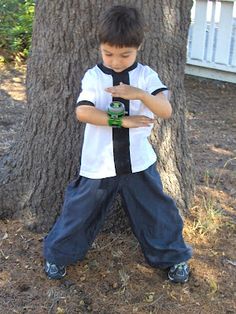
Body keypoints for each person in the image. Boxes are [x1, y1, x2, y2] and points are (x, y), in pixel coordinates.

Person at [43, 5, 192, 283]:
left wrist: (139, 94)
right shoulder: (94, 77)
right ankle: (58, 255)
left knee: (156, 212)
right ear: (100, 47)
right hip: (99, 163)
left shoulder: (147, 77)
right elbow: (83, 112)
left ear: (139, 47)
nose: (116, 61)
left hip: (137, 162)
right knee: (79, 212)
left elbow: (165, 109)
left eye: (125, 54)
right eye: (108, 53)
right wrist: (122, 121)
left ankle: (173, 258)